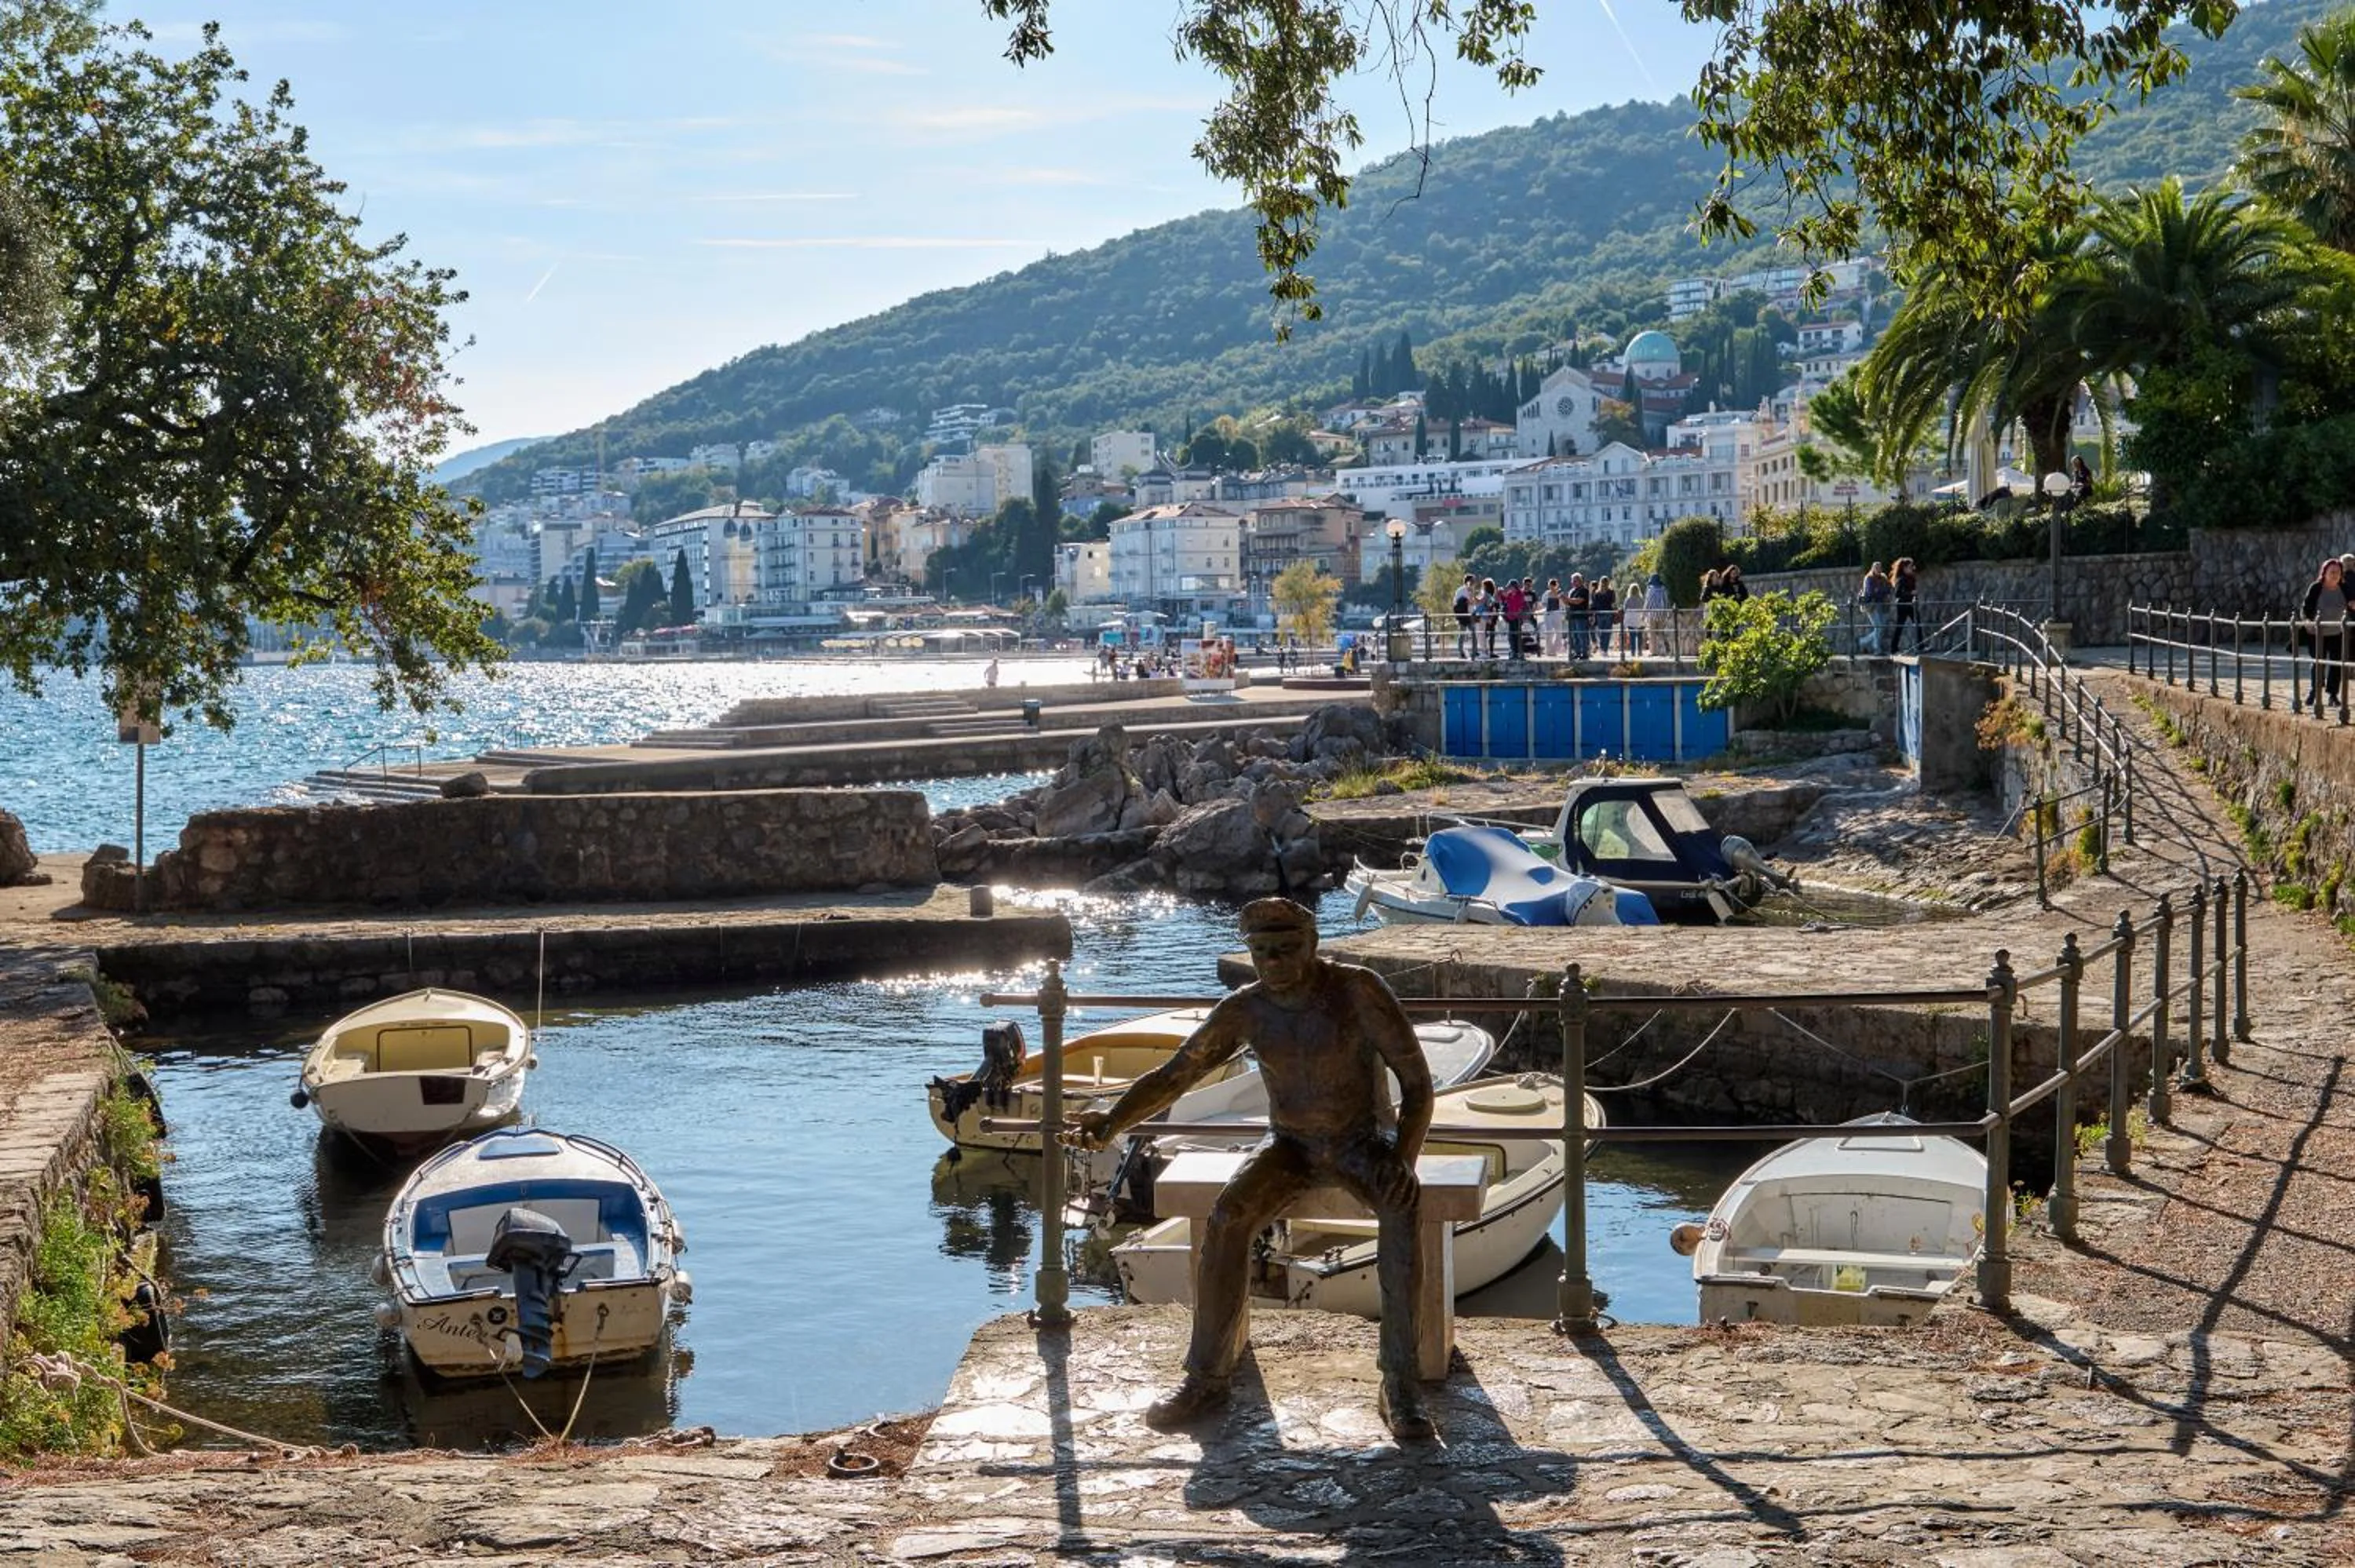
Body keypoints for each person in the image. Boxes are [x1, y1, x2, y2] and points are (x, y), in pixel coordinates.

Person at [1064, 898, 1437, 1439]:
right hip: (1291, 1145)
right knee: (1228, 1216)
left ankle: (1400, 1384)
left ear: (1312, 945)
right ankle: (1207, 1377)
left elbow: (1419, 1085)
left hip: (1363, 1141)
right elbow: (1176, 1077)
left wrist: (1403, 1159)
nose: (1275, 963)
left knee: (1402, 1209)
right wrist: (1112, 1120)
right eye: (1263, 952)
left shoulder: (1358, 991)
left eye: (1286, 950)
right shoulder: (1247, 1008)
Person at [2302, 556, 2349, 713]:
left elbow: (2352, 602)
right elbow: (2306, 607)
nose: (2335, 575)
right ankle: (2314, 691)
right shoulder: (2316, 587)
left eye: (2338, 572)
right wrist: (2309, 620)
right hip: (2318, 633)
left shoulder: (2344, 587)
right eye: (2332, 572)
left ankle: (2333, 695)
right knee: (2318, 662)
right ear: (2325, 573)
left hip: (2337, 632)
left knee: (2336, 664)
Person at [1859, 562, 1893, 656]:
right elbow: (1871, 593)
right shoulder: (1869, 578)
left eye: (1880, 568)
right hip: (1871, 606)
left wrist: (1880, 591)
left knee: (1881, 628)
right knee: (1879, 627)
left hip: (1881, 605)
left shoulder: (1883, 577)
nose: (1878, 569)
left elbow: (1889, 588)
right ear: (1872, 569)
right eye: (1876, 568)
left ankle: (1862, 642)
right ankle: (1877, 649)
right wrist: (1881, 592)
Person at [1889, 556, 1921, 653]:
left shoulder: (1911, 578)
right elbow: (1897, 593)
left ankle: (1920, 645)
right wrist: (1910, 593)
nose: (1912, 568)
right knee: (1900, 626)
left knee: (1917, 623)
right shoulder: (1901, 579)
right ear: (1905, 568)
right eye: (1910, 567)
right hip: (1903, 605)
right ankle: (1893, 647)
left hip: (1911, 604)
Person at [1499, 575, 1528, 662]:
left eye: (1511, 587)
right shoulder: (1510, 594)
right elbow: (1505, 600)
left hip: (1517, 618)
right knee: (1511, 636)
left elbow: (1520, 605)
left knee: (1517, 636)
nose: (1509, 588)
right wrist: (1500, 593)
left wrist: (1517, 613)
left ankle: (1519, 653)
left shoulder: (1520, 594)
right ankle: (1513, 652)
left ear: (1515, 586)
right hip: (1510, 618)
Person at [1641, 572, 1670, 659]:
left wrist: (1644, 614)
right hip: (1662, 614)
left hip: (1652, 614)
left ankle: (1653, 652)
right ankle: (1663, 650)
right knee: (1661, 632)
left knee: (1652, 633)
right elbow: (1666, 602)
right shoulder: (1664, 589)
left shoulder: (1650, 590)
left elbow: (1648, 603)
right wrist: (1666, 613)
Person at [1565, 572, 1591, 659]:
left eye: (1574, 581)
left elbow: (1578, 601)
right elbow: (1568, 603)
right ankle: (1577, 652)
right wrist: (1562, 598)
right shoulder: (1572, 591)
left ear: (1580, 581)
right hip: (1573, 617)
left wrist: (1567, 599)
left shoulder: (1584, 590)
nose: (1572, 582)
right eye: (1572, 581)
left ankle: (1585, 653)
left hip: (1581, 617)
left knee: (1582, 636)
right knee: (1574, 636)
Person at [1591, 576, 1617, 657]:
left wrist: (1592, 613)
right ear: (1608, 582)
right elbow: (1613, 603)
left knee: (1601, 633)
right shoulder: (1611, 592)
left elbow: (1594, 604)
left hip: (1599, 614)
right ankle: (1604, 650)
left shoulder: (1597, 593)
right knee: (1607, 633)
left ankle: (1602, 649)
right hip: (1609, 613)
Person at [1452, 574, 1477, 659]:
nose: (1474, 583)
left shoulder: (1462, 590)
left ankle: (1467, 652)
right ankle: (1469, 652)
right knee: (1468, 633)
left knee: (1466, 634)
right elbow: (1470, 602)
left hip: (1467, 615)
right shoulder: (1464, 590)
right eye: (1473, 581)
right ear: (1468, 581)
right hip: (1465, 615)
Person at [1541, 578, 1565, 658]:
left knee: (1558, 632)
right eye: (1551, 585)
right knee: (1549, 632)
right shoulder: (1546, 594)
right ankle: (1549, 650)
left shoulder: (1560, 593)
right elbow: (1543, 604)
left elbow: (1563, 604)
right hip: (1548, 614)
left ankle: (1555, 649)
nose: (1552, 587)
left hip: (1557, 613)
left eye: (1554, 585)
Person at [1476, 577, 1500, 658]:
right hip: (1486, 616)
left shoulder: (1485, 595)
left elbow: (1480, 601)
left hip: (1482, 616)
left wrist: (1472, 595)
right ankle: (1487, 651)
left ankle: (1484, 652)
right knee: (1483, 634)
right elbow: (1491, 606)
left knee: (1481, 634)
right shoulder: (1491, 596)